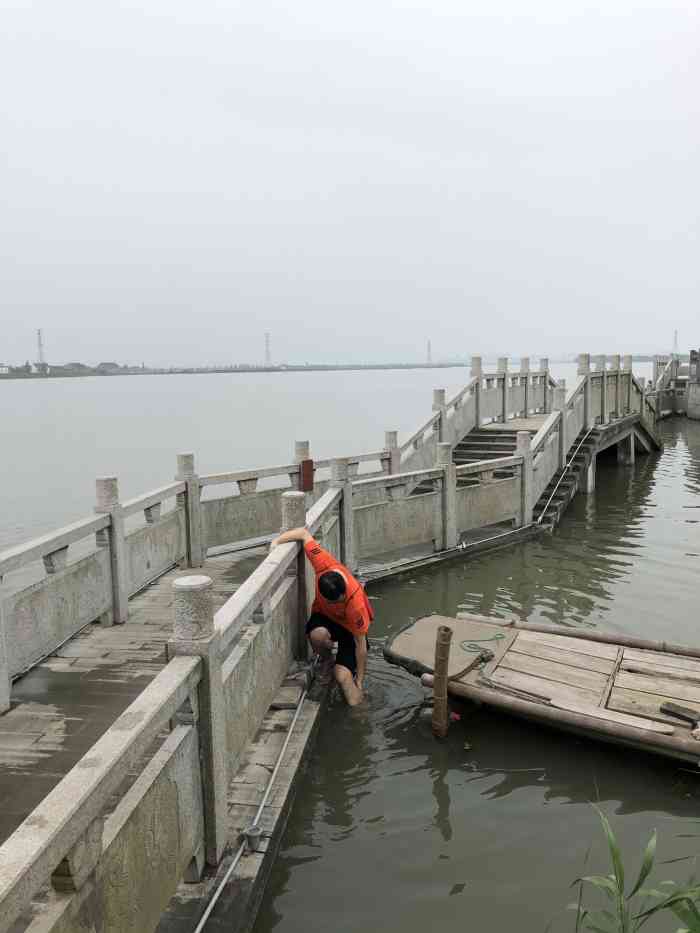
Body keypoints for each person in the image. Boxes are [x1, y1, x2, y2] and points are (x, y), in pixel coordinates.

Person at [270, 526, 372, 706]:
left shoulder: (355, 605)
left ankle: (359, 710)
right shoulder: (322, 562)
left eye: (341, 601)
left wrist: (360, 680)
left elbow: (361, 646)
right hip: (325, 618)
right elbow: (302, 533)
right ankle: (326, 660)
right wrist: (276, 542)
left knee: (342, 676)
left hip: (350, 630)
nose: (338, 604)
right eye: (333, 602)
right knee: (317, 635)